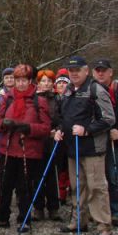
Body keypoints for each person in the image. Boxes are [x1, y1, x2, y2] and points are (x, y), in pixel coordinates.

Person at [54, 56, 115, 235]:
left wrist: (87, 130)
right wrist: (59, 130)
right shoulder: (68, 91)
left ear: (86, 71)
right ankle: (79, 220)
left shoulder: (96, 89)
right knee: (77, 186)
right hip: (73, 147)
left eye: (77, 70)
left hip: (92, 147)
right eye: (71, 71)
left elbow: (108, 118)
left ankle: (104, 225)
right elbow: (63, 116)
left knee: (96, 186)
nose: (74, 74)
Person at [0, 65, 51, 232]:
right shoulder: (8, 98)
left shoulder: (39, 101)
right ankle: (1, 217)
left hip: (28, 150)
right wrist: (3, 124)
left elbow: (46, 128)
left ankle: (24, 218)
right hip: (8, 149)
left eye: (24, 80)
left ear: (30, 81)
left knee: (25, 186)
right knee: (5, 185)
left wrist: (28, 128)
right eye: (18, 80)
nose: (21, 84)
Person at [92, 59, 118, 226]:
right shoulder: (90, 90)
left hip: (113, 141)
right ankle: (97, 211)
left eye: (104, 70)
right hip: (95, 140)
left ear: (111, 72)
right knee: (94, 179)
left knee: (113, 176)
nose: (100, 73)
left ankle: (117, 211)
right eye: (98, 70)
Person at [33, 69, 62, 221]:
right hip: (38, 140)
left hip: (52, 140)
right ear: (38, 83)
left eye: (49, 81)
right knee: (37, 174)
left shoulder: (58, 99)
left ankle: (53, 207)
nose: (46, 84)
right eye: (43, 81)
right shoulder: (33, 99)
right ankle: (38, 207)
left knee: (52, 175)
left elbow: (62, 118)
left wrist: (57, 130)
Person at [54, 68, 71, 203]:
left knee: (69, 165)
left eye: (64, 83)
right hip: (57, 137)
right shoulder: (54, 99)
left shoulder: (72, 99)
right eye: (59, 83)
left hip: (70, 136)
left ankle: (70, 189)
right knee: (59, 167)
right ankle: (60, 192)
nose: (61, 85)